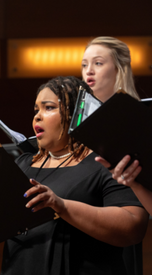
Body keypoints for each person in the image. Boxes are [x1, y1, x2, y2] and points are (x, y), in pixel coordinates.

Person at [0, 76, 149, 275]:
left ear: (75, 113)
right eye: (36, 110)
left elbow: (132, 227)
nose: (37, 116)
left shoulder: (105, 162)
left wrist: (60, 205)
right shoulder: (22, 165)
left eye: (49, 108)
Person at [81, 36, 147, 275]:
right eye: (84, 64)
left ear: (120, 68)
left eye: (98, 63)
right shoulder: (78, 123)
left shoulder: (137, 119)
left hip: (124, 215)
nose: (89, 71)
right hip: (87, 223)